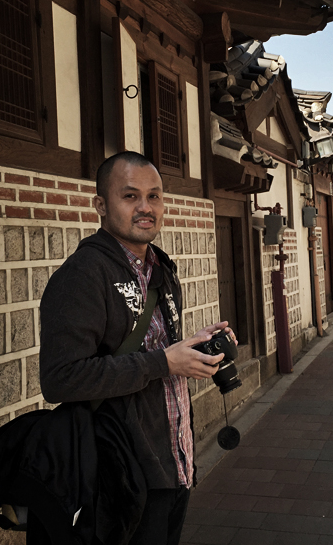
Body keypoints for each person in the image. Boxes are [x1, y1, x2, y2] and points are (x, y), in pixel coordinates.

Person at [39, 151, 234, 545]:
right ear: (101, 205)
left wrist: (191, 349)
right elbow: (60, 379)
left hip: (175, 462)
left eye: (155, 196)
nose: (146, 208)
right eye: (130, 196)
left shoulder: (161, 269)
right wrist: (163, 361)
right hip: (121, 472)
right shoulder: (83, 275)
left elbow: (152, 352)